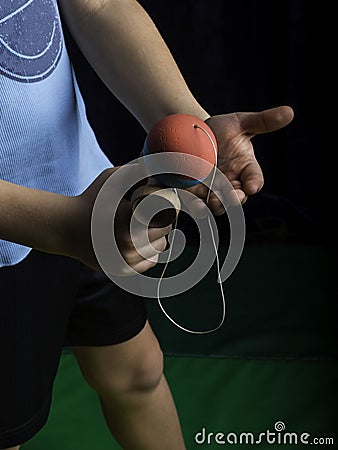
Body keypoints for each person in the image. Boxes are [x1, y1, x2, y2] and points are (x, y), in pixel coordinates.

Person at [0, 1, 294, 449]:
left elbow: (98, 5)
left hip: (83, 190)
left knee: (138, 374)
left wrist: (188, 126)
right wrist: (61, 228)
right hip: (18, 236)